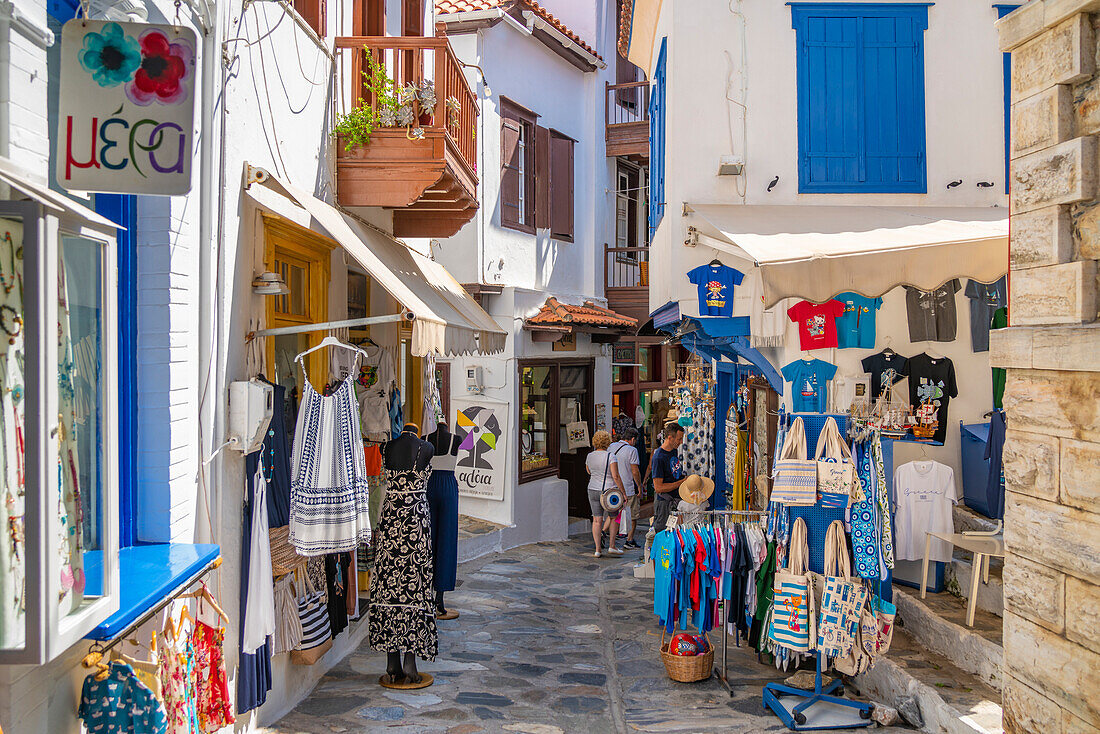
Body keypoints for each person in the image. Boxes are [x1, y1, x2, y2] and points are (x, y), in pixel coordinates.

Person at [585, 430, 622, 558]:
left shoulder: (589, 456)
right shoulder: (610, 456)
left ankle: (597, 549)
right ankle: (612, 546)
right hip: (609, 491)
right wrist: (623, 492)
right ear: (608, 442)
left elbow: (589, 471)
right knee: (614, 517)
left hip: (593, 489)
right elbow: (615, 476)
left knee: (597, 520)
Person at [608, 428, 643, 549]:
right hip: (627, 487)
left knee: (614, 513)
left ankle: (604, 532)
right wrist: (639, 485)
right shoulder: (632, 450)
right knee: (633, 515)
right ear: (633, 439)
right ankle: (629, 540)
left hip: (612, 486)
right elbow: (635, 471)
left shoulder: (611, 446)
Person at [651, 422, 687, 533]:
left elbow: (674, 473)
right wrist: (681, 482)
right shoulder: (658, 458)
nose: (681, 442)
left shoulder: (673, 451)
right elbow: (659, 488)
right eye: (679, 439)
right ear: (670, 438)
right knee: (662, 535)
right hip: (664, 504)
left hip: (675, 502)